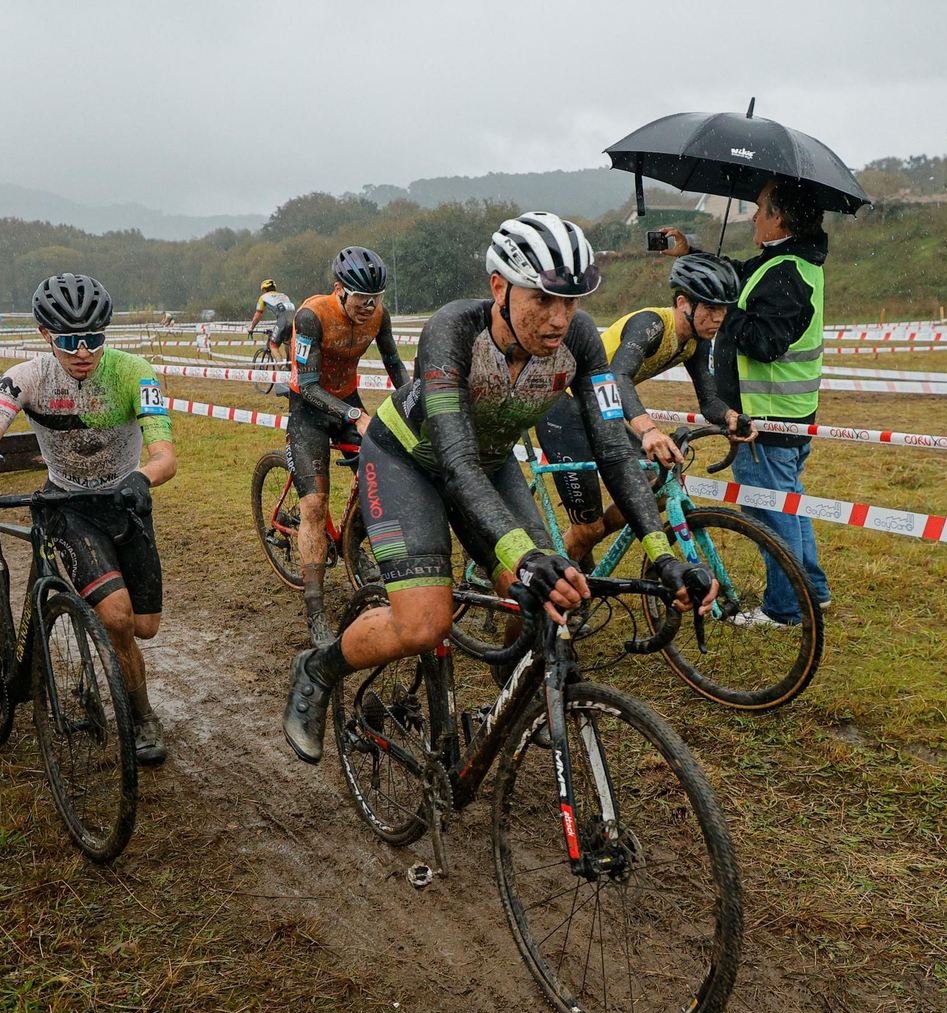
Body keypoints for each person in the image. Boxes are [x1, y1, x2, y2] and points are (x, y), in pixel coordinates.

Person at [281, 213, 716, 764]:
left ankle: (510, 681)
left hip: (488, 462)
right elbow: (455, 462)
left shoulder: (581, 341)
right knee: (425, 623)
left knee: (550, 589)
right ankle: (318, 667)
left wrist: (663, 555)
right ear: (499, 289)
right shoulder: (454, 331)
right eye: (543, 300)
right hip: (408, 461)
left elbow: (611, 449)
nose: (560, 319)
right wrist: (522, 555)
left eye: (572, 301)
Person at [0, 274, 176, 766]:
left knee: (145, 625)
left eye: (94, 339)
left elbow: (164, 456)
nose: (83, 352)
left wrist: (143, 478)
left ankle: (106, 635)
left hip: (125, 501)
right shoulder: (26, 377)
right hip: (66, 506)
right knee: (116, 619)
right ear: (46, 334)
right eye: (70, 342)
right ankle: (141, 718)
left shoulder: (136, 372)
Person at [669, 177, 832, 625]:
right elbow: (739, 274)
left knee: (768, 513)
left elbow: (765, 342)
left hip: (767, 417)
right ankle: (812, 591)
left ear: (778, 218)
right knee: (789, 503)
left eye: (760, 209)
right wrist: (691, 256)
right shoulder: (784, 262)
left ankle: (784, 609)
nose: (755, 216)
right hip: (782, 414)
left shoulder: (788, 272)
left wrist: (725, 312)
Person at [535, 251, 756, 564]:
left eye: (723, 308)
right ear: (683, 303)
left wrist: (731, 417)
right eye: (710, 307)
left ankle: (580, 559)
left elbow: (709, 400)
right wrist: (648, 430)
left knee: (653, 487)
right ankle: (537, 592)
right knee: (587, 527)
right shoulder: (652, 324)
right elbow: (616, 376)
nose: (719, 317)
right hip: (565, 407)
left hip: (603, 412)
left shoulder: (695, 339)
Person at [285, 249, 410, 646]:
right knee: (315, 505)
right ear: (340, 290)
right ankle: (315, 608)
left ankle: (360, 549)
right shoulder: (312, 316)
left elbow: (395, 366)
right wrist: (355, 416)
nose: (369, 306)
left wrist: (414, 402)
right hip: (308, 409)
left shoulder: (378, 316)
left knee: (382, 482)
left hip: (346, 400)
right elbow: (307, 385)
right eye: (360, 297)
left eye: (376, 297)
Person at [248, 279, 295, 366]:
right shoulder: (284, 295)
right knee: (288, 343)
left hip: (283, 320)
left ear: (264, 290)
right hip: (294, 320)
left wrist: (252, 327)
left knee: (273, 345)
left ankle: (282, 368)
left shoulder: (263, 297)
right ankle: (291, 366)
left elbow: (258, 315)